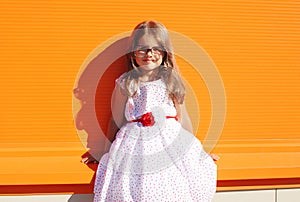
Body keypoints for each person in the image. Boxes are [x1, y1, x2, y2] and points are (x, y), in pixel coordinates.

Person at [93, 20, 219, 202]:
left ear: (165, 51)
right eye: (142, 48)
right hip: (133, 144)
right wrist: (103, 153)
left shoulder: (171, 81)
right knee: (133, 185)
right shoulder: (126, 83)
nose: (149, 54)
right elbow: (115, 120)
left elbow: (183, 120)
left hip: (168, 142)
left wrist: (197, 151)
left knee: (170, 185)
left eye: (155, 48)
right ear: (133, 52)